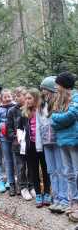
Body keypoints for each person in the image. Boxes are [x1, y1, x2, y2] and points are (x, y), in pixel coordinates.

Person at [37, 76, 68, 213]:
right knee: (51, 171)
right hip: (46, 143)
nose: (44, 93)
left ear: (53, 91)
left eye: (46, 90)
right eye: (42, 90)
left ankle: (64, 198)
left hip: (58, 142)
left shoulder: (60, 105)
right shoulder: (41, 106)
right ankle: (56, 197)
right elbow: (38, 125)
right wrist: (39, 145)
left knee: (62, 170)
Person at [51, 72, 78, 221]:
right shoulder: (59, 100)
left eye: (57, 84)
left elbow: (71, 116)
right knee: (69, 173)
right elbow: (53, 120)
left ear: (63, 85)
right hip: (62, 140)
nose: (56, 87)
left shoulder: (76, 97)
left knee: (77, 173)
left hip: (74, 140)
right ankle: (73, 203)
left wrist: (56, 118)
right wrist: (57, 119)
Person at [18, 88, 51, 208]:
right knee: (34, 171)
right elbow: (20, 128)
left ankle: (47, 193)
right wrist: (21, 140)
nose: (27, 101)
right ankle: (38, 194)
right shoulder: (24, 113)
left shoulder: (43, 110)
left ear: (36, 98)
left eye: (29, 98)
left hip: (43, 145)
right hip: (30, 146)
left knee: (46, 169)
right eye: (26, 98)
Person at [7, 87, 32, 200]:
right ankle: (23, 187)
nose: (17, 98)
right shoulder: (12, 111)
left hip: (31, 143)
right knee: (20, 166)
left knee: (31, 165)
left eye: (19, 95)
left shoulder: (31, 108)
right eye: (15, 96)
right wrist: (16, 137)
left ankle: (32, 186)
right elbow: (9, 128)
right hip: (18, 144)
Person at [0, 89, 15, 195]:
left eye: (9, 96)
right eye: (5, 97)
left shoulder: (15, 107)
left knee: (15, 159)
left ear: (12, 97)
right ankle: (7, 181)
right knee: (7, 159)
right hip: (3, 138)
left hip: (15, 138)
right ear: (2, 99)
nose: (7, 99)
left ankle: (13, 180)